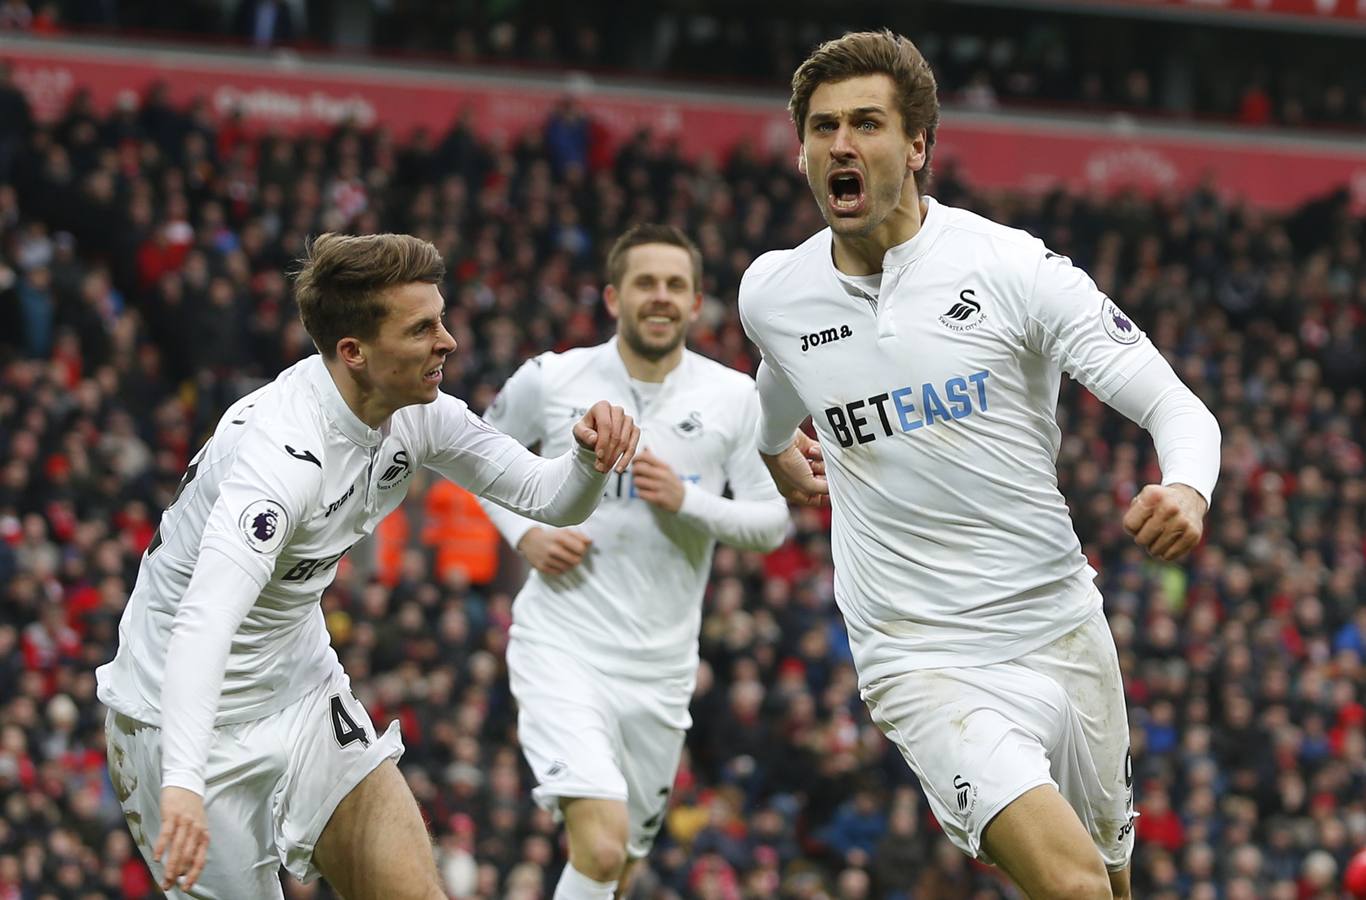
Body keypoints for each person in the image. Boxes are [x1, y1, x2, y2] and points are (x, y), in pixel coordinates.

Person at [738, 30, 1221, 900]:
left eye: (867, 124)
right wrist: (776, 451)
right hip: (918, 654)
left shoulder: (1010, 269)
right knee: (1072, 885)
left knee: (1112, 880)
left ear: (919, 145)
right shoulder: (774, 291)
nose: (840, 145)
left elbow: (1175, 405)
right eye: (821, 128)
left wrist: (1186, 483)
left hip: (1059, 628)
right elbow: (779, 385)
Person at [95, 232, 640, 899]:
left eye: (440, 319)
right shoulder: (282, 458)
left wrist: (589, 456)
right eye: (422, 329)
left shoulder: (417, 413)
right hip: (178, 722)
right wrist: (181, 783)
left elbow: (546, 496)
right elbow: (202, 626)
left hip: (298, 690)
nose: (448, 341)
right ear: (353, 352)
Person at [479, 224, 789, 900]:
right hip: (563, 645)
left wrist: (688, 502)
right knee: (601, 843)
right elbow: (480, 454)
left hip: (662, 669)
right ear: (613, 296)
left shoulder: (734, 398)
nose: (661, 296)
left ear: (696, 301)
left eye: (676, 285)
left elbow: (772, 523)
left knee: (620, 869)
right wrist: (523, 534)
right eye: (646, 283)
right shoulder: (554, 377)